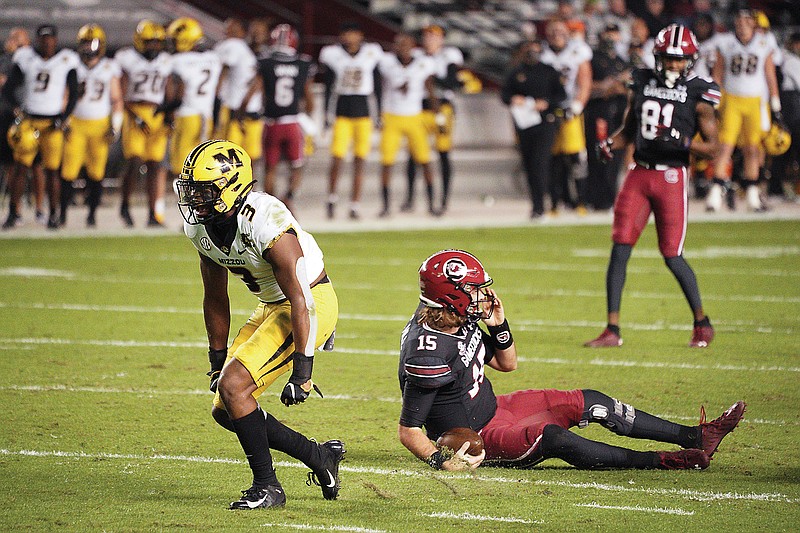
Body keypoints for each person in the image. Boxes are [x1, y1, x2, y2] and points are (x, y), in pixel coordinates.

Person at [398, 249, 746, 471]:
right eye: (473, 290)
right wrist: (441, 460)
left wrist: (500, 325)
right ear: (451, 296)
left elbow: (508, 364)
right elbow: (409, 430)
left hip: (495, 406)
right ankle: (666, 461)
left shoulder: (454, 317)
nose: (483, 295)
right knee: (554, 437)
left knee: (590, 401)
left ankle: (696, 437)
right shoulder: (427, 351)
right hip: (476, 435)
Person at [175, 139, 344, 510]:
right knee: (226, 406)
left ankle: (268, 487)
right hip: (270, 305)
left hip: (311, 301)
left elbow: (302, 297)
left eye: (204, 190)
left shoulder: (266, 219)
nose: (195, 200)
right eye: (192, 190)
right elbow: (215, 297)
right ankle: (318, 457)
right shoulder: (202, 229)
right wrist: (217, 356)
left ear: (231, 186)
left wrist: (303, 370)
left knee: (236, 389)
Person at [584, 25, 720, 349]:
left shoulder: (700, 93)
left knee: (672, 255)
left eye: (679, 59)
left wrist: (682, 141)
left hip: (672, 177)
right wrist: (608, 144)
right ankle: (612, 330)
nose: (673, 65)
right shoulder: (642, 82)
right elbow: (629, 131)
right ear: (658, 58)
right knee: (619, 249)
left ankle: (702, 323)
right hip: (639, 173)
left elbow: (714, 147)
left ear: (689, 60)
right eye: (668, 59)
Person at [1, 24, 79, 230]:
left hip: (52, 122)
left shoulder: (66, 59)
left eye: (50, 38)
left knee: (53, 170)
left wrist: (64, 117)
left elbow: (74, 91)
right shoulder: (26, 58)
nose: (46, 42)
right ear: (37, 40)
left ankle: (53, 214)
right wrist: (17, 108)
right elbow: (9, 88)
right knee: (20, 168)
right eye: (43, 38)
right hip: (29, 120)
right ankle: (13, 212)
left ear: (55, 40)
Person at [707, 9, 780, 212]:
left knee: (753, 149)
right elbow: (718, 74)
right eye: (738, 23)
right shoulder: (726, 43)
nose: (741, 27)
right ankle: (715, 194)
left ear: (753, 25)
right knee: (725, 147)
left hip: (755, 101)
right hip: (732, 100)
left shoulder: (764, 43)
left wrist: (775, 100)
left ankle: (752, 196)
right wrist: (713, 97)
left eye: (745, 23)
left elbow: (769, 73)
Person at [240, 24, 315, 209]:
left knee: (269, 167)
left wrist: (241, 111)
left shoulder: (266, 62)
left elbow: (254, 90)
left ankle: (271, 206)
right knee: (297, 165)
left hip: (272, 124)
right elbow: (309, 98)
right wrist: (307, 115)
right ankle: (288, 198)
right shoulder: (302, 63)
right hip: (292, 122)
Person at [318, 22, 383, 220]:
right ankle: (332, 198)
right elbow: (329, 87)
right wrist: (326, 116)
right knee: (337, 158)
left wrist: (378, 114)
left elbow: (377, 86)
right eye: (345, 33)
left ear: (360, 35)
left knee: (360, 161)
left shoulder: (372, 53)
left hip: (363, 112)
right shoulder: (333, 54)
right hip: (342, 112)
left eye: (352, 33)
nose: (348, 37)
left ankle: (355, 204)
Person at [60, 24, 123, 227]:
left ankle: (92, 215)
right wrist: (65, 120)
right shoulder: (73, 66)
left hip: (100, 125)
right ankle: (61, 214)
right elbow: (65, 96)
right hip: (77, 123)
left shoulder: (108, 67)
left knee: (96, 172)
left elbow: (116, 98)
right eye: (86, 43)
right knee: (69, 170)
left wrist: (116, 125)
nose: (89, 48)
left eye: (92, 43)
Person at [115, 20, 173, 227]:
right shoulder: (127, 58)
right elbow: (122, 92)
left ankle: (152, 213)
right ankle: (124, 205)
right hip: (134, 112)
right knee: (134, 161)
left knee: (155, 166)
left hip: (156, 114)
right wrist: (134, 115)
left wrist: (168, 114)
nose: (154, 47)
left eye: (157, 43)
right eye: (150, 42)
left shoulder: (165, 61)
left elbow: (168, 89)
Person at [404, 24, 466, 214]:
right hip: (419, 108)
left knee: (443, 153)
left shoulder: (449, 56)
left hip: (442, 108)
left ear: (441, 39)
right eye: (427, 36)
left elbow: (452, 82)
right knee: (414, 155)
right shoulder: (417, 56)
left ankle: (444, 200)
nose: (430, 39)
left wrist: (431, 78)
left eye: (434, 36)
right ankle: (410, 199)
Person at [164, 17, 222, 217]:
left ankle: (193, 211)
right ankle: (202, 209)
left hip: (186, 116)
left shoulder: (177, 61)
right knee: (201, 167)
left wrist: (164, 112)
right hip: (206, 115)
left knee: (184, 169)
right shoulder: (213, 59)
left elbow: (175, 93)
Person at [501, 39, 565, 218]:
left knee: (541, 162)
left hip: (545, 122)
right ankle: (537, 205)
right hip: (525, 124)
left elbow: (561, 95)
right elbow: (505, 94)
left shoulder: (549, 71)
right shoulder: (517, 72)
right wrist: (514, 99)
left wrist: (546, 103)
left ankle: (550, 201)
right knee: (530, 164)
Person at [377, 33, 439, 218]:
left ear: (413, 46)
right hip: (392, 117)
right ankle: (386, 206)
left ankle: (431, 204)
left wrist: (437, 111)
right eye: (400, 45)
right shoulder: (387, 63)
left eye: (407, 45)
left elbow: (429, 86)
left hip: (414, 117)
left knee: (425, 160)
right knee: (387, 162)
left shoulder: (423, 63)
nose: (403, 49)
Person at [541, 19, 593, 216]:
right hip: (550, 111)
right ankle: (555, 202)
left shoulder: (577, 51)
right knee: (553, 159)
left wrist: (577, 105)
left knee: (577, 158)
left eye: (560, 30)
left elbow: (585, 81)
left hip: (571, 110)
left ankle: (581, 200)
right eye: (552, 30)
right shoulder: (542, 53)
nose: (556, 34)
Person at [584, 23, 630, 210]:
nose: (612, 38)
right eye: (608, 34)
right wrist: (606, 87)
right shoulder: (593, 59)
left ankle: (610, 197)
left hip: (617, 113)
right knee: (598, 153)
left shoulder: (621, 60)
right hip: (599, 112)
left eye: (615, 34)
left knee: (615, 156)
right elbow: (587, 84)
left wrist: (621, 86)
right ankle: (595, 198)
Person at [213, 18, 262, 161]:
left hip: (242, 109)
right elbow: (223, 73)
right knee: (232, 157)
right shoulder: (236, 46)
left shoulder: (242, 48)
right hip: (236, 109)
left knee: (238, 157)